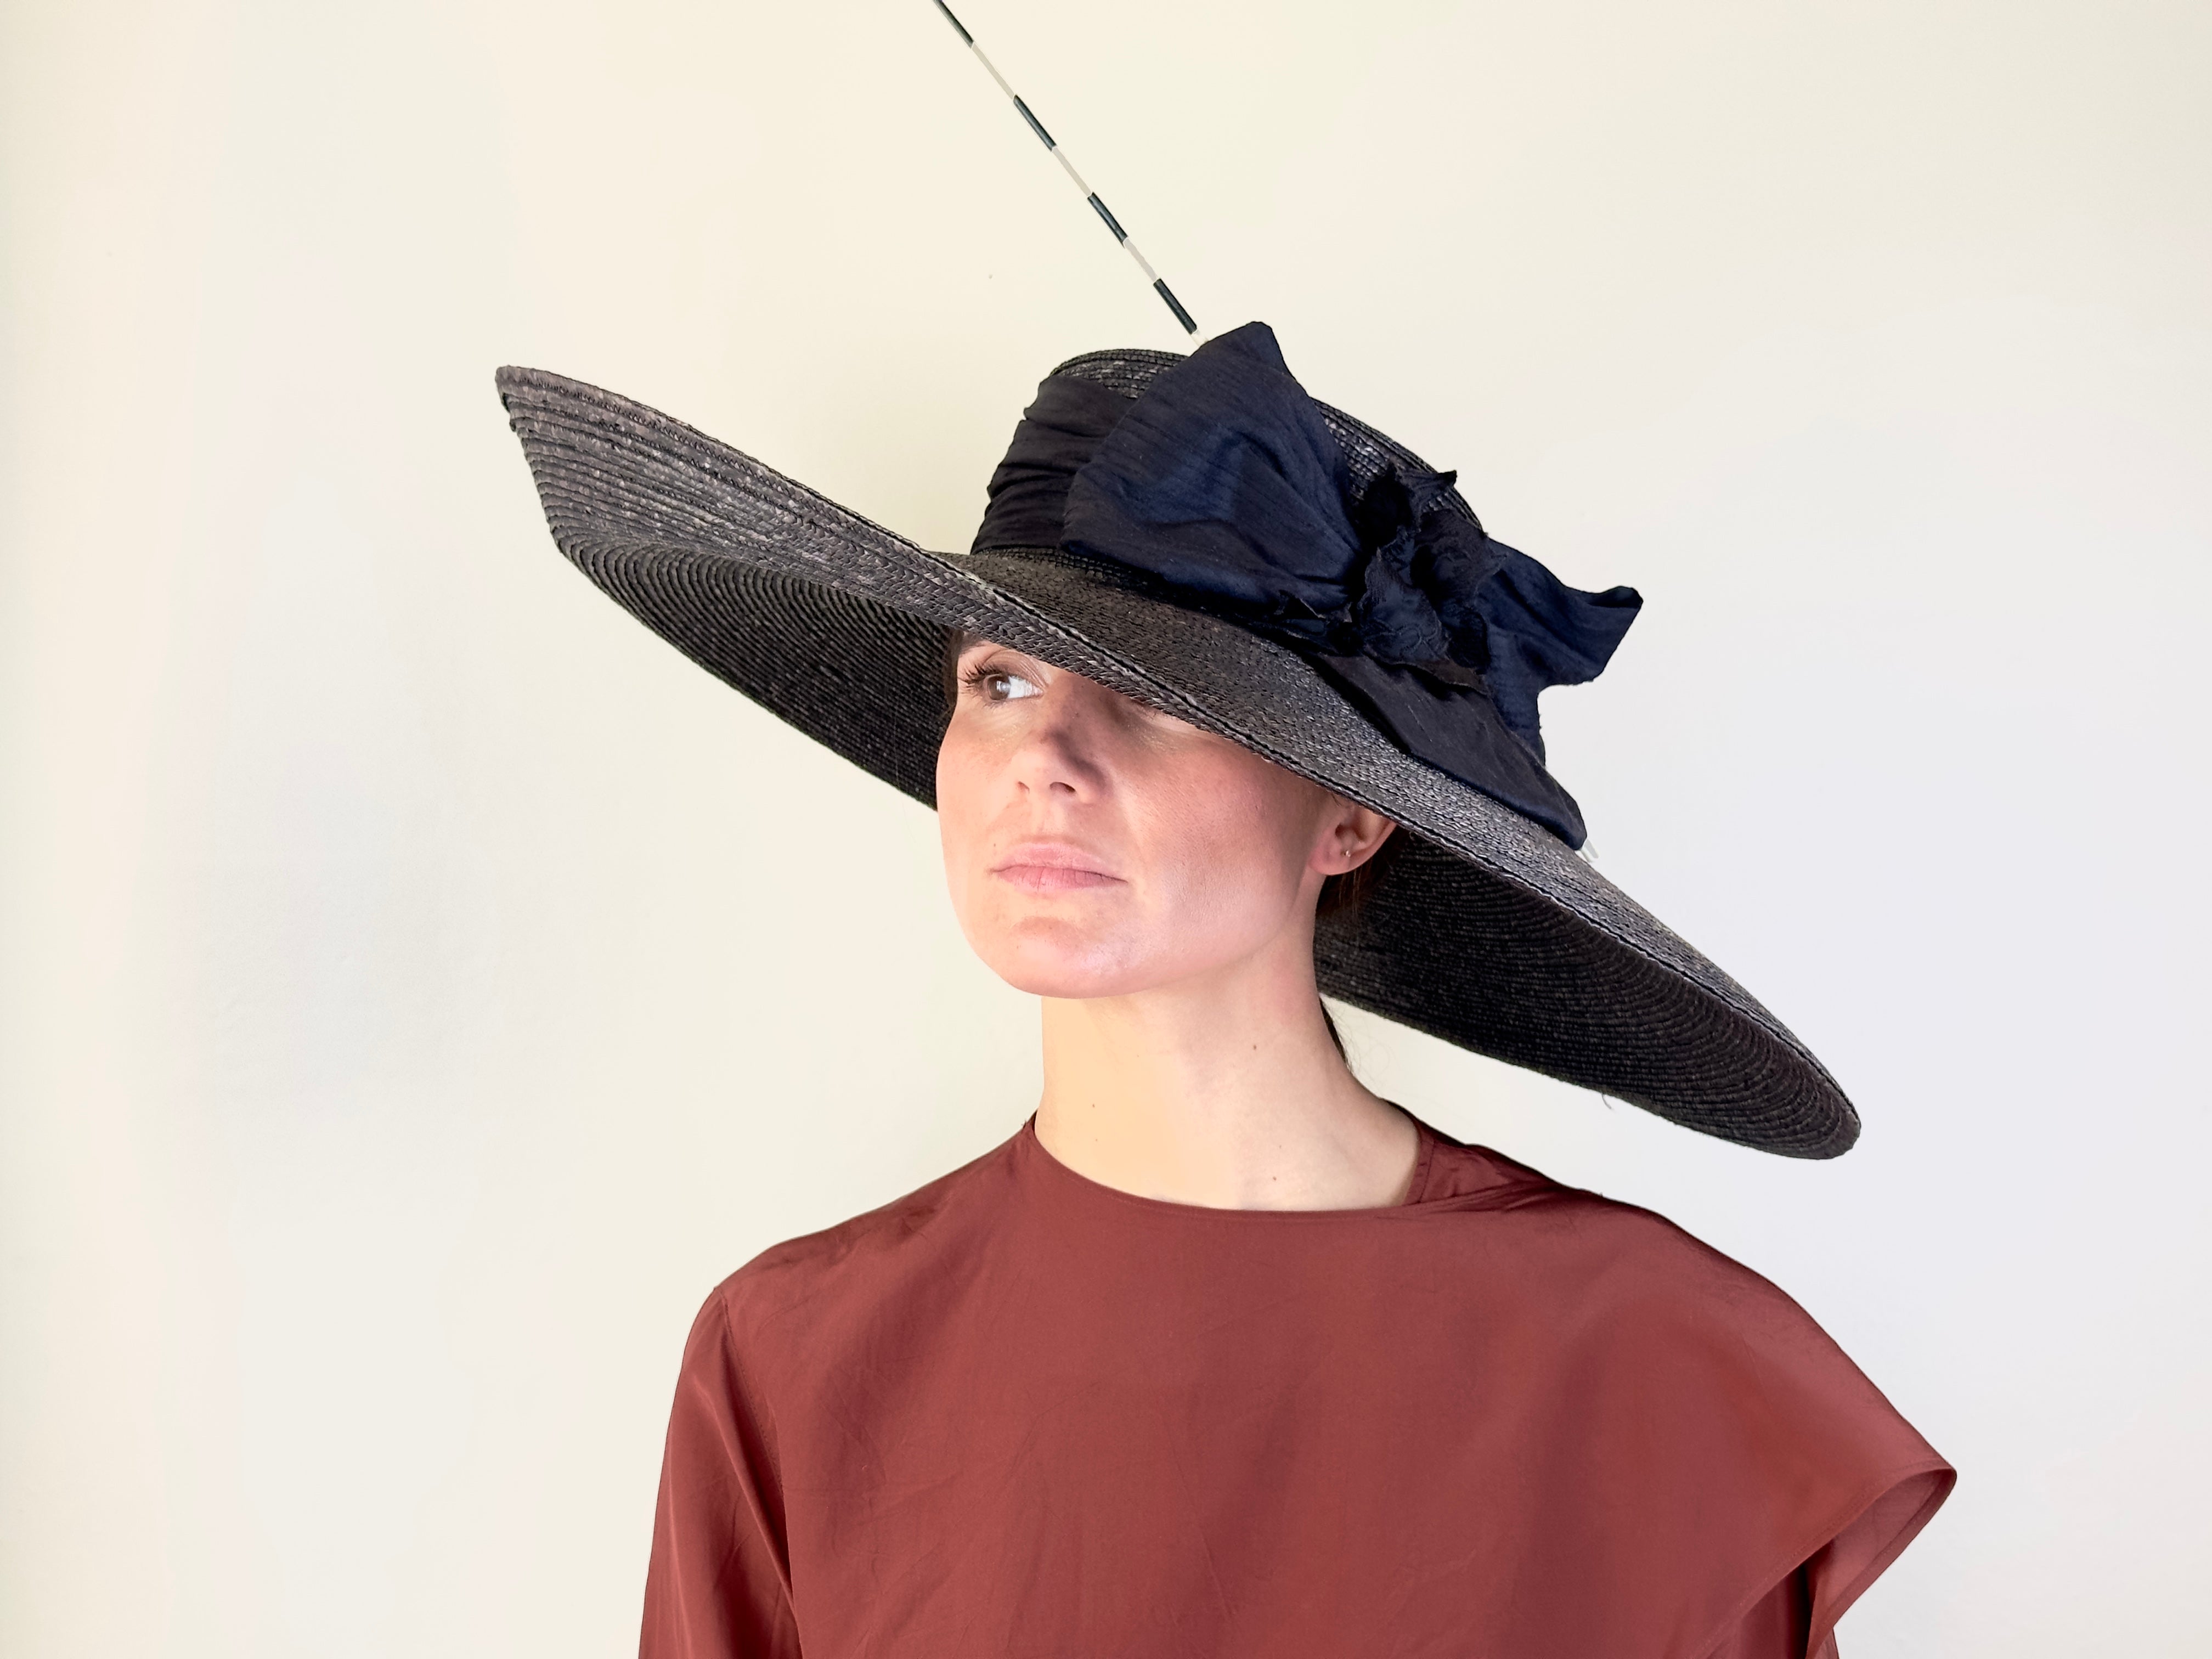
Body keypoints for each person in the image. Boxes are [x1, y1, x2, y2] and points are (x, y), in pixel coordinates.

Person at [498, 323, 1954, 1657]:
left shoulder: (1650, 1370)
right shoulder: (799, 1363)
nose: (1042, 759)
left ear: (1351, 818)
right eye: (999, 681)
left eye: (1159, 698)